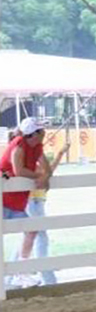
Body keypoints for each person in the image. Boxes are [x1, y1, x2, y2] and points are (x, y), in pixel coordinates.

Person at [1, 118, 55, 288]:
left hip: (17, 200)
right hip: (4, 198)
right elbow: (19, 171)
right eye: (41, 130)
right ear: (34, 134)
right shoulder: (18, 145)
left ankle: (21, 272)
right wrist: (40, 176)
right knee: (30, 231)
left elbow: (47, 168)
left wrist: (45, 176)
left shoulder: (36, 147)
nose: (44, 132)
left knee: (31, 231)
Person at [22, 139, 70, 287]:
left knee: (32, 236)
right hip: (32, 201)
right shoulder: (28, 163)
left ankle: (22, 273)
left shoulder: (33, 163)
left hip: (37, 201)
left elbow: (48, 171)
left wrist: (61, 153)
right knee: (39, 236)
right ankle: (46, 276)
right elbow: (45, 173)